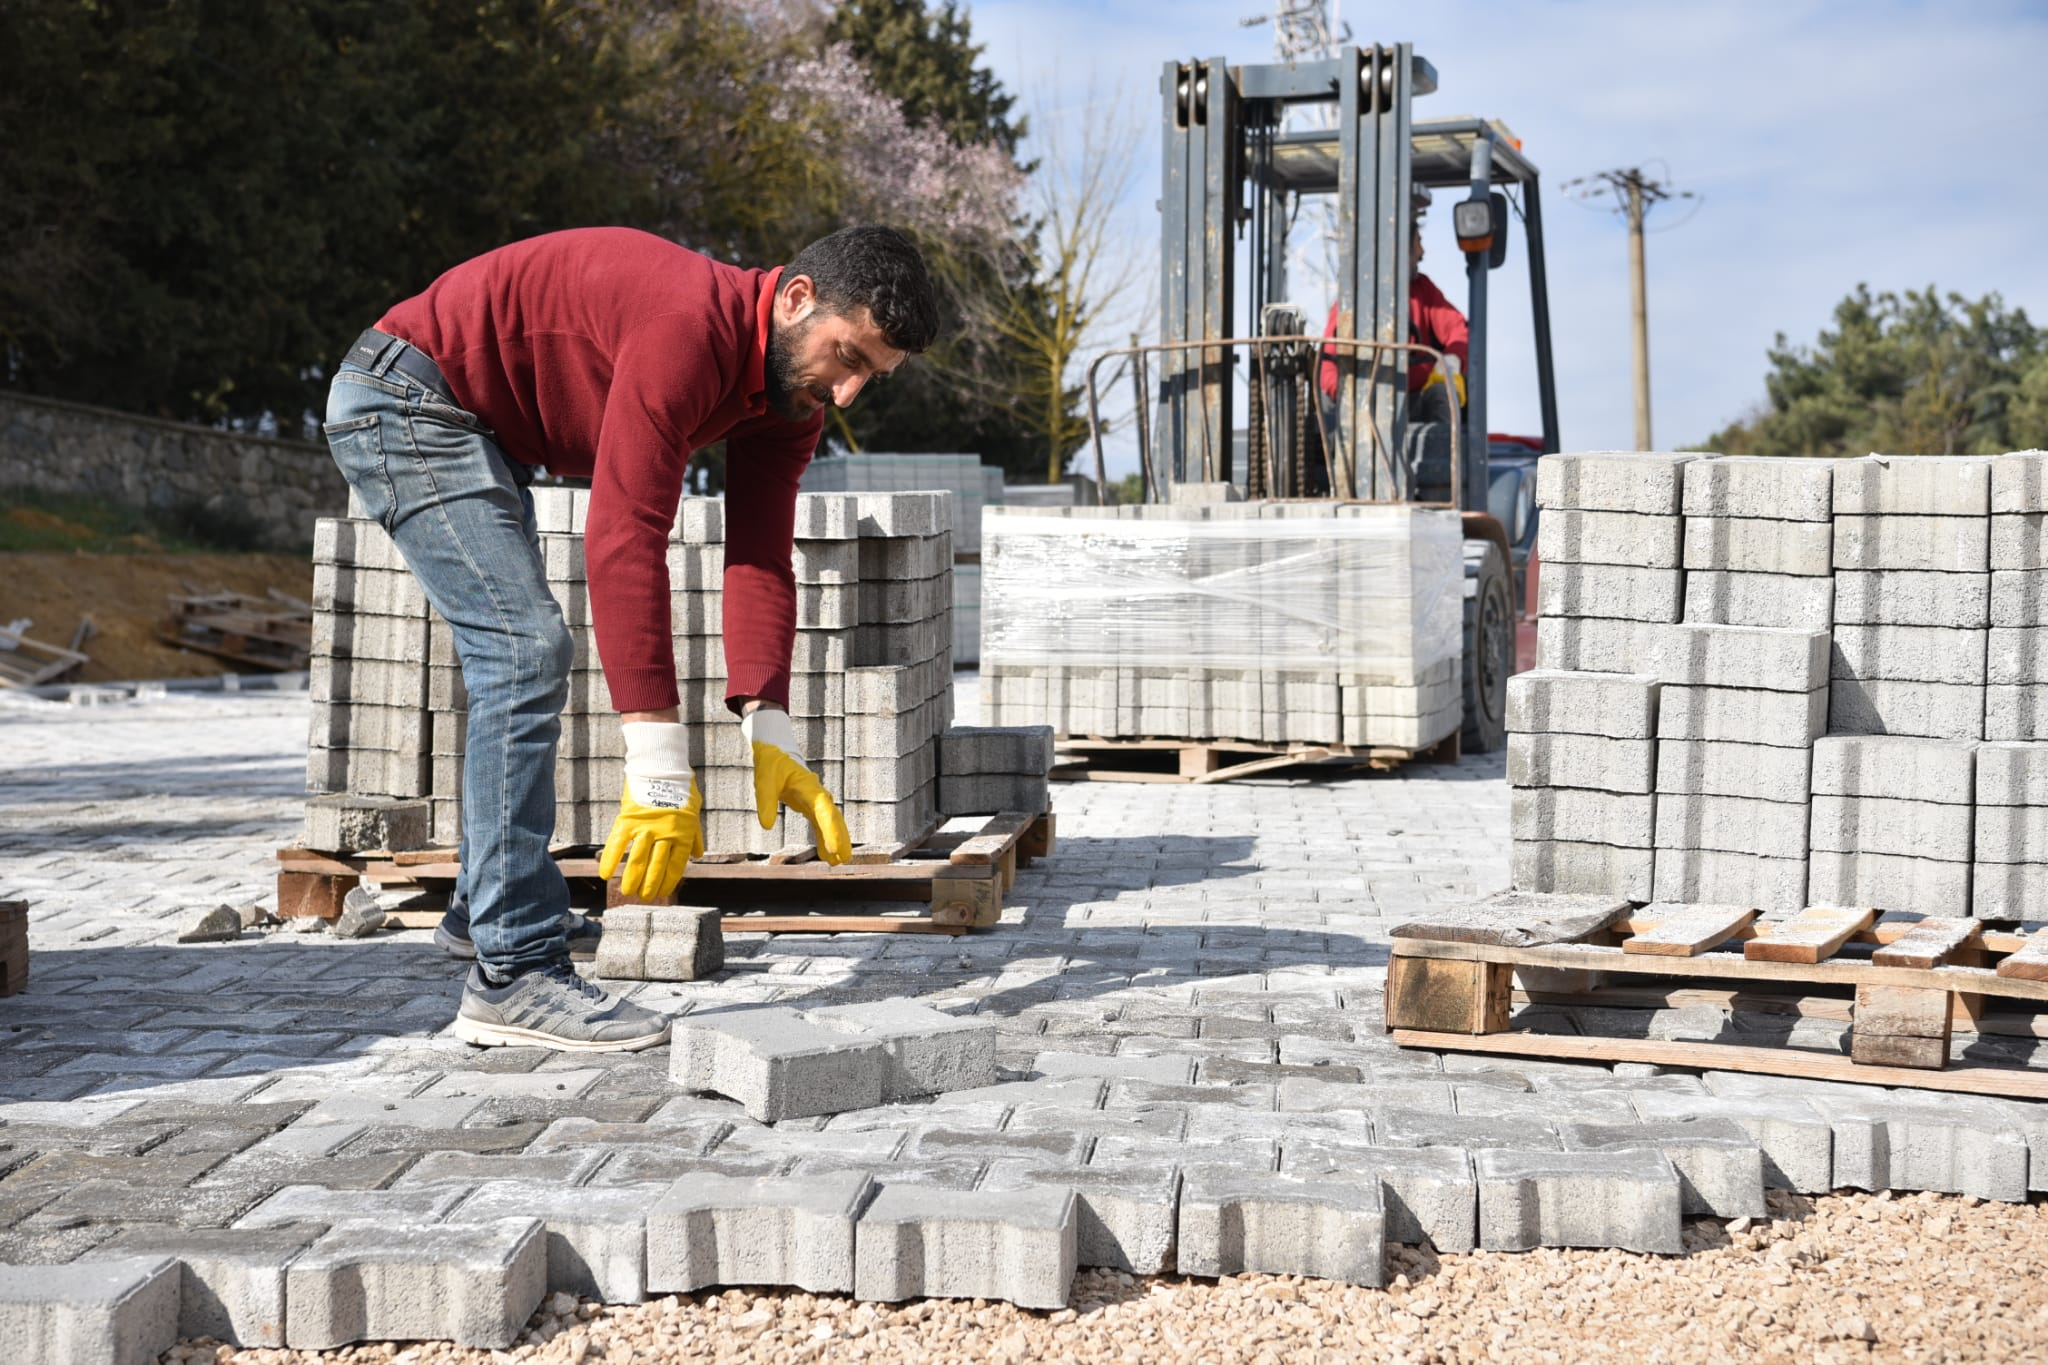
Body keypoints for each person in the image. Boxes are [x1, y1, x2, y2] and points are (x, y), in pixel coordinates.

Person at [322, 225, 939, 1051]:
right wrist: (656, 772)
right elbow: (625, 534)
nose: (851, 391)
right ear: (796, 300)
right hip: (406, 399)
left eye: (874, 375)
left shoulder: (789, 397)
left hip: (475, 424)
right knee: (524, 647)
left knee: (514, 648)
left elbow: (759, 552)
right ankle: (513, 976)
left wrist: (770, 721)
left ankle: (486, 910)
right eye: (849, 356)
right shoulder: (688, 325)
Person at [1314, 207, 1471, 488]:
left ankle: (1440, 491)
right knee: (1327, 405)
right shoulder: (1352, 301)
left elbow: (1458, 329)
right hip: (1361, 408)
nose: (1422, 252)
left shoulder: (1423, 291)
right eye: (1417, 242)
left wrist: (1450, 362)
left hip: (1412, 401)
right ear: (1398, 248)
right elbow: (1327, 365)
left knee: (1442, 392)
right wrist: (1353, 393)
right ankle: (1339, 484)